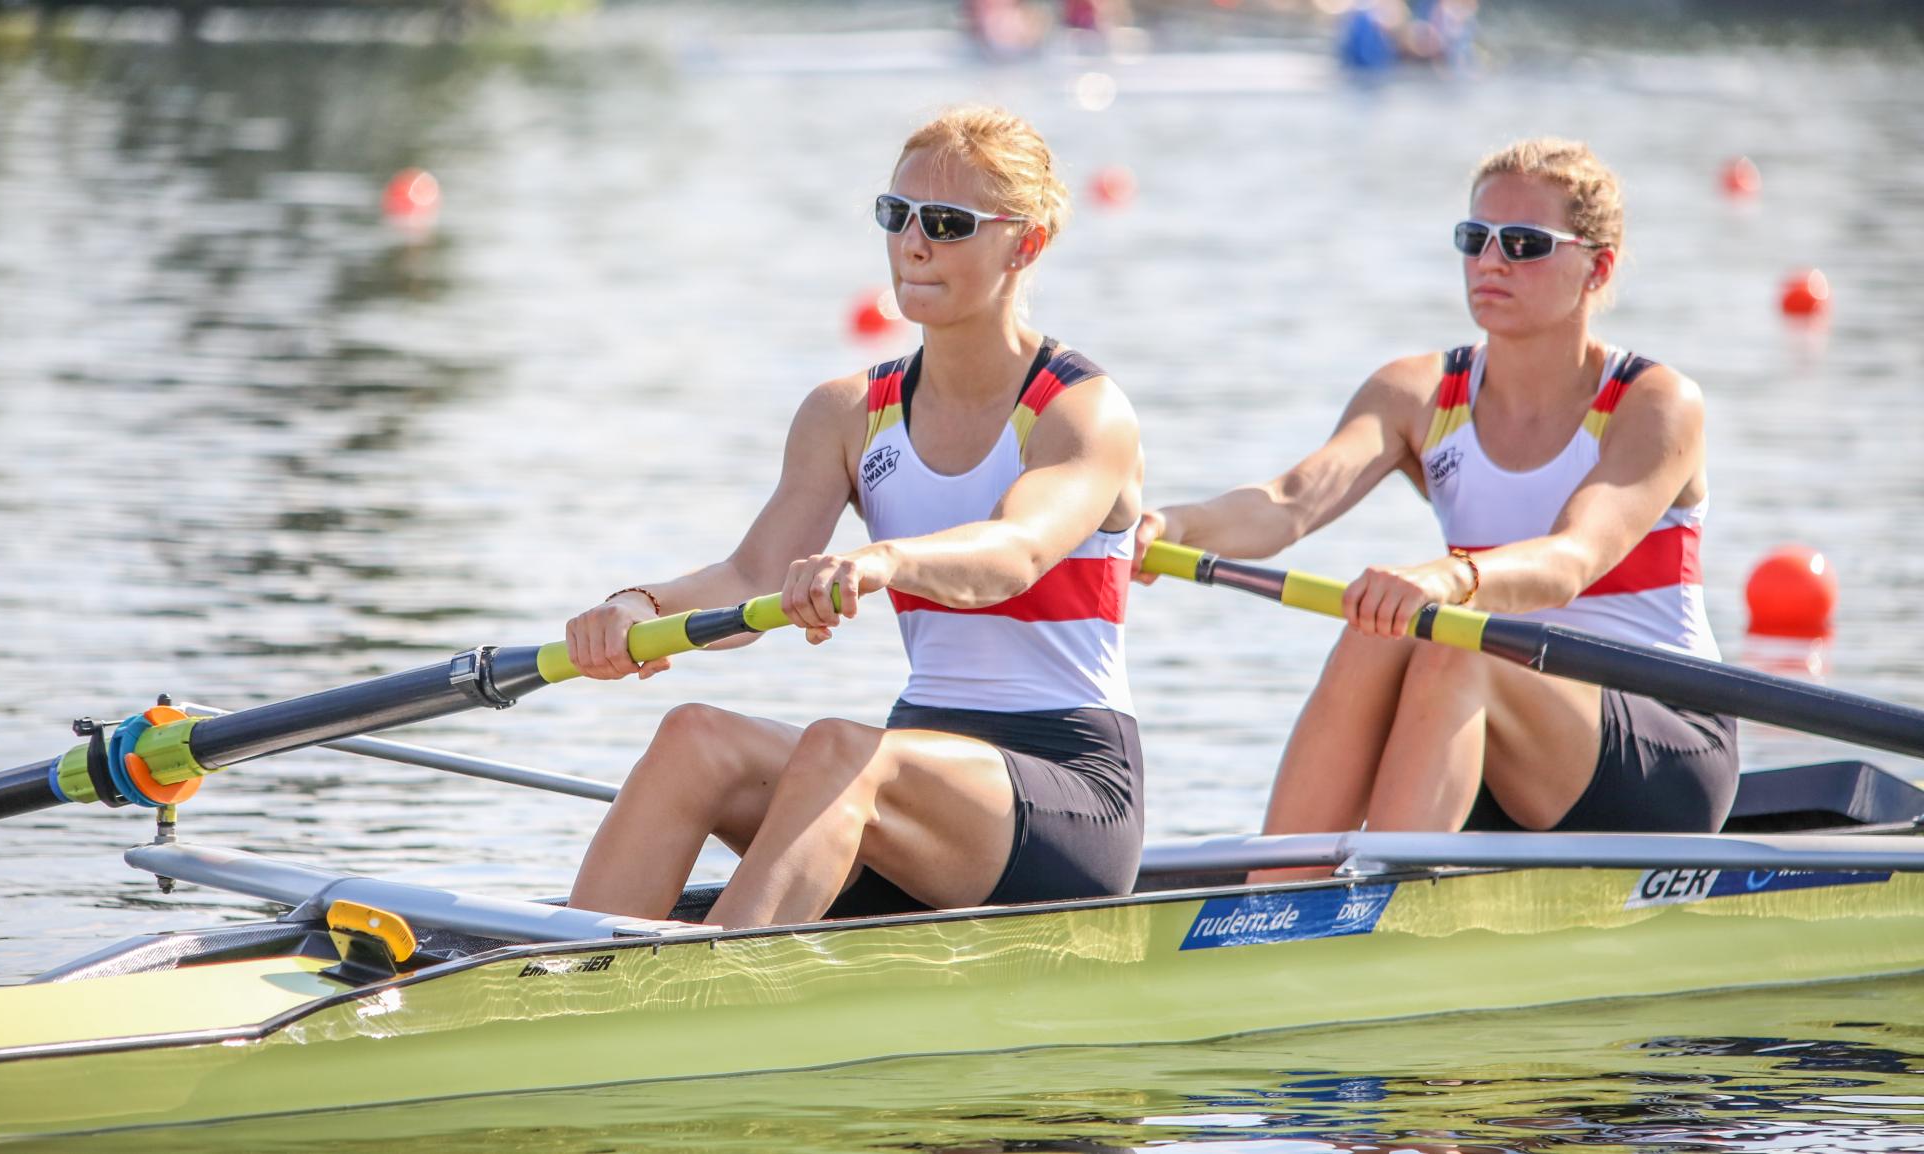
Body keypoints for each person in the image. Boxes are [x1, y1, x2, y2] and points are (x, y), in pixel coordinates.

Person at [565, 106, 1145, 929]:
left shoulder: (1083, 412)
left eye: (948, 224)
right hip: (909, 777)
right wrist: (639, 606)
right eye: (896, 214)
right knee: (693, 735)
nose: (913, 243)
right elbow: (749, 581)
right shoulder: (847, 414)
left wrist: (884, 562)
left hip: (1064, 791)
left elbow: (1013, 554)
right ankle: (560, 984)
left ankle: (699, 1004)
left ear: (1026, 244)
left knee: (843, 750)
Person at [1138, 138, 1736, 861]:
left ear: (1597, 266)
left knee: (1453, 642)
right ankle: (1275, 896)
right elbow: (1288, 502)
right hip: (1501, 726)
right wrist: (1169, 524)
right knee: (1379, 628)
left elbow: (1573, 559)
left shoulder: (1655, 404)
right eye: (1475, 238)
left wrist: (1449, 578)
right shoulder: (1418, 393)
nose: (1491, 262)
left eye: (1524, 243)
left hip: (1658, 742)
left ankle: (1373, 911)